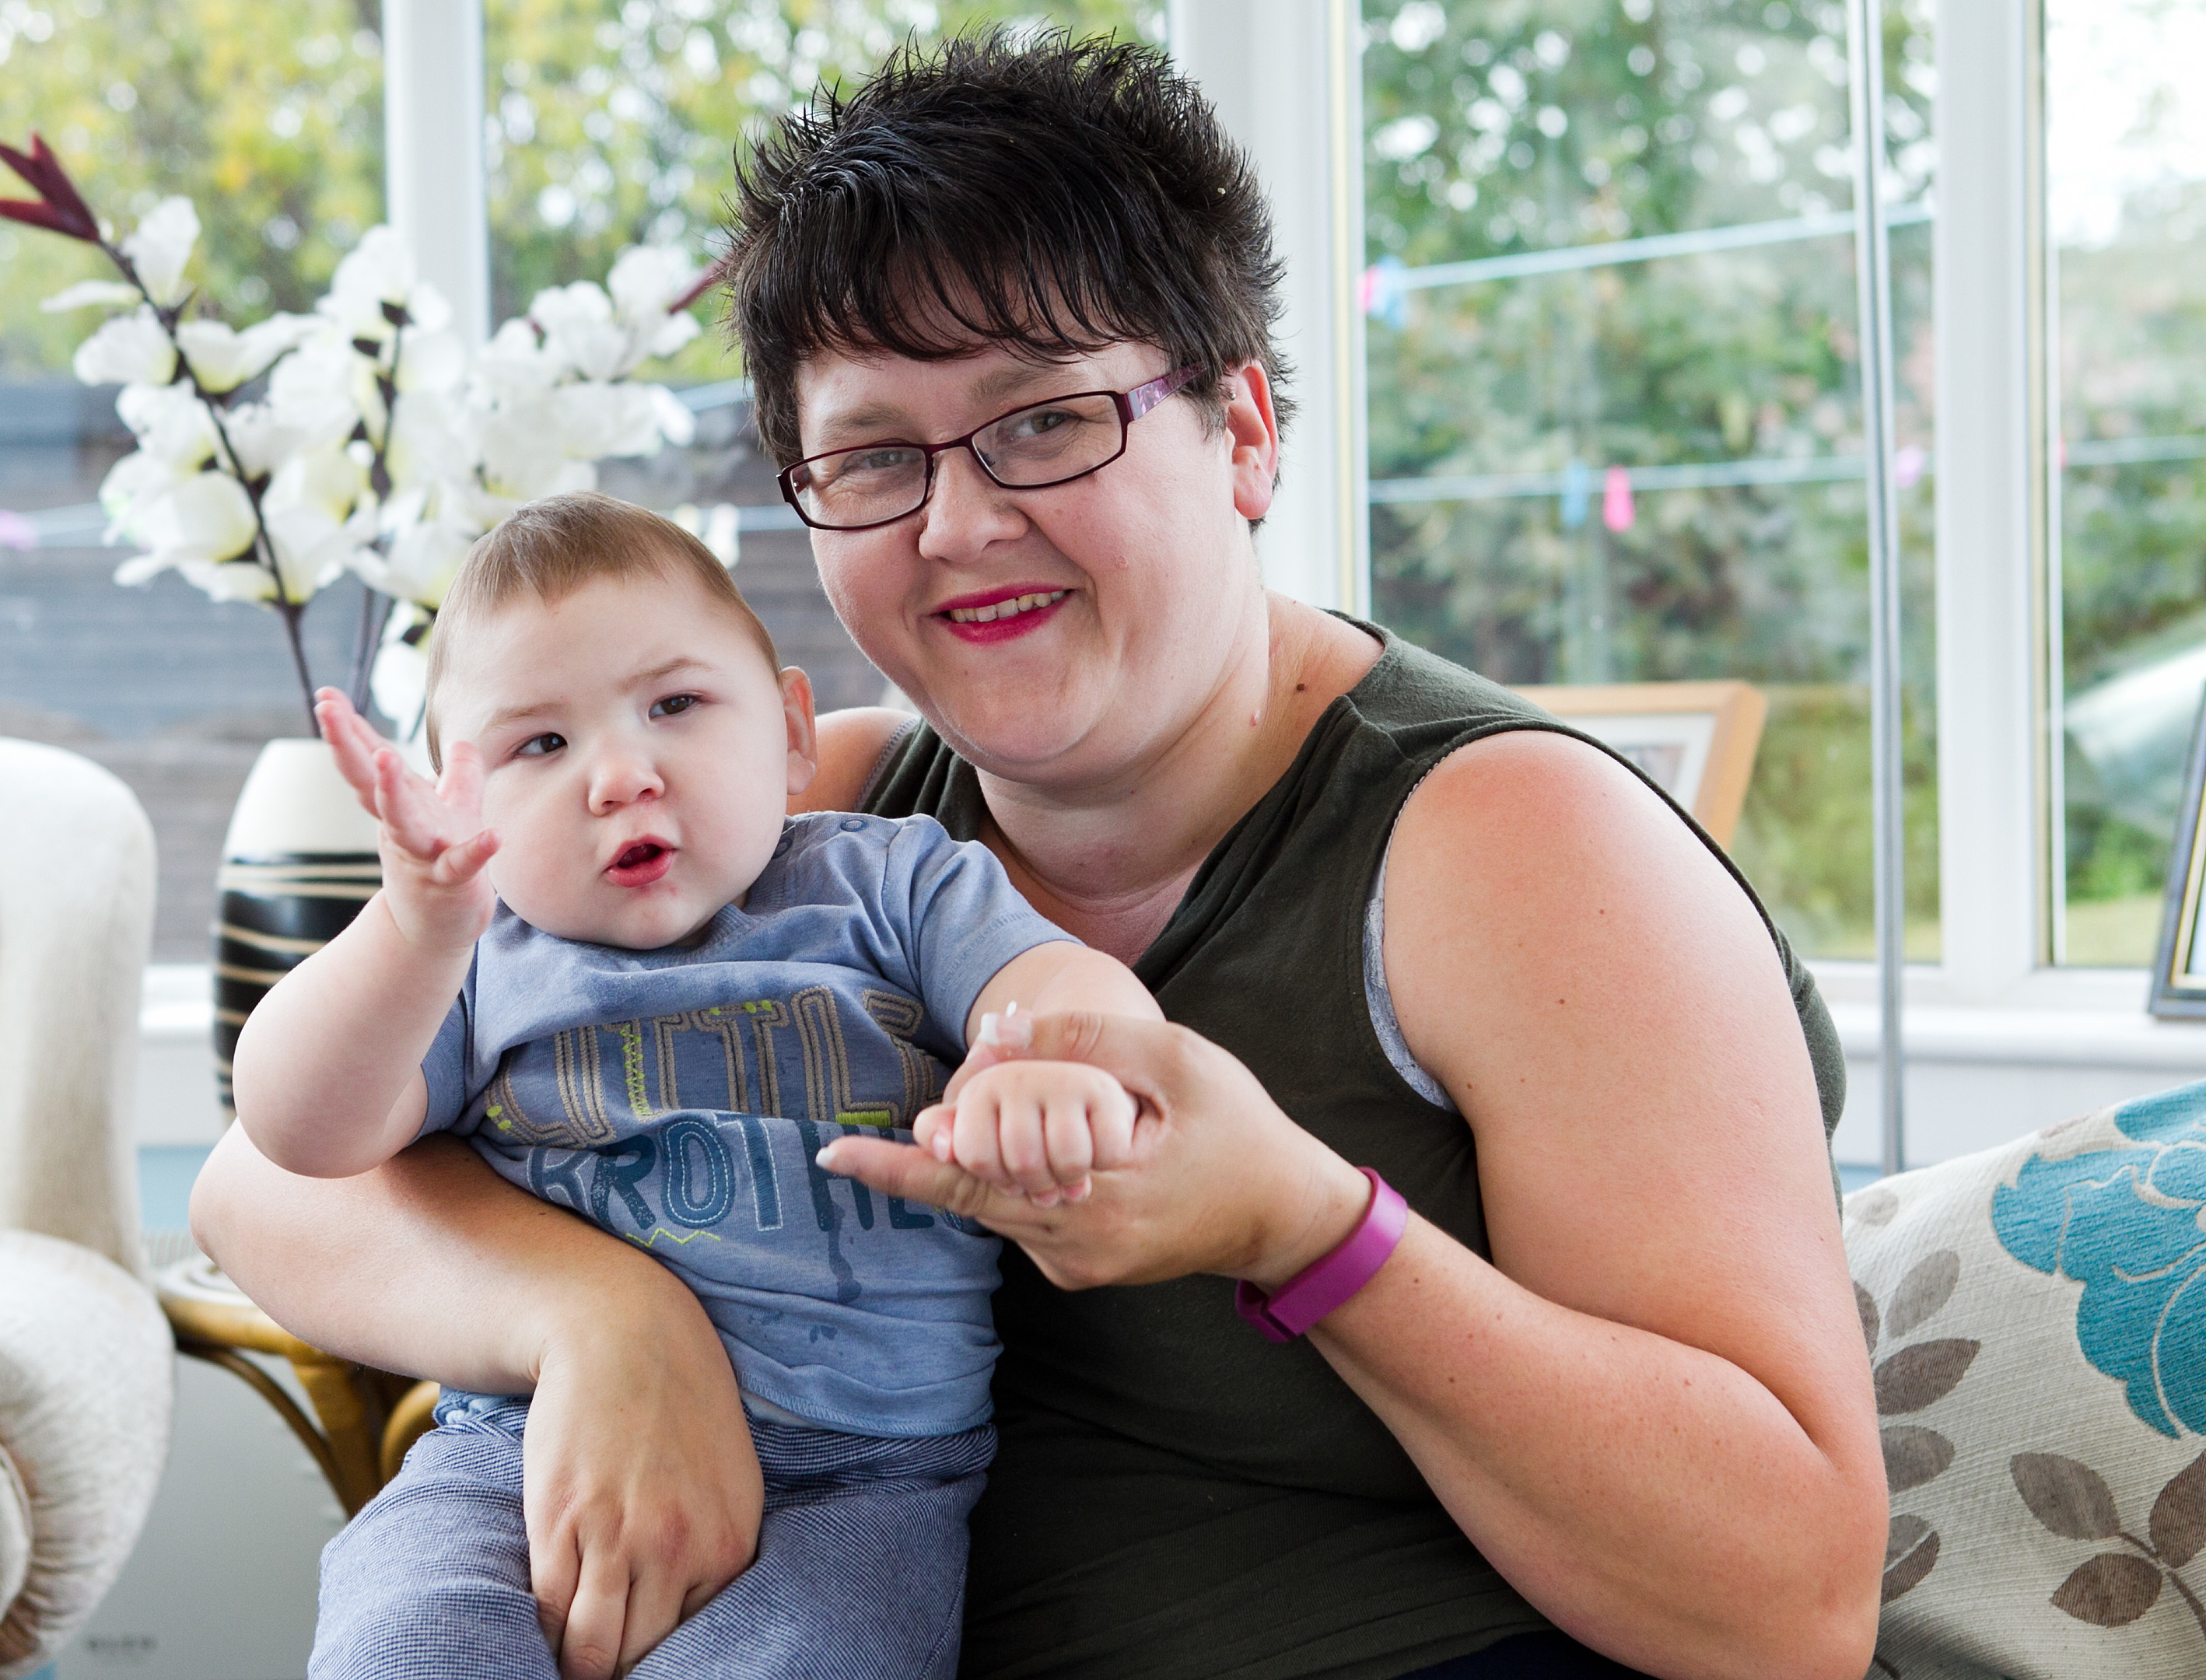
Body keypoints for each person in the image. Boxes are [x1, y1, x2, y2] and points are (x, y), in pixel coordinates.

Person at [193, 32, 1889, 1680]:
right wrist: (601, 1322)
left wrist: (1304, 1228)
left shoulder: (1515, 846)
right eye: (872, 457)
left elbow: (1786, 1609)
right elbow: (263, 1181)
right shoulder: (831, 816)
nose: (957, 522)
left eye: (1045, 421)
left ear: (1240, 435)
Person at [229, 494, 1163, 1676]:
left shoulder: (889, 884)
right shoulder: (475, 957)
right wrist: (415, 930)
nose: (619, 776)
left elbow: (1066, 983)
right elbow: (298, 1128)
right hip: (515, 1453)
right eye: (540, 745)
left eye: (674, 705)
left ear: (788, 733)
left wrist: (1055, 1066)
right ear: (461, 800)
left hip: (865, 1479)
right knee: (400, 1640)